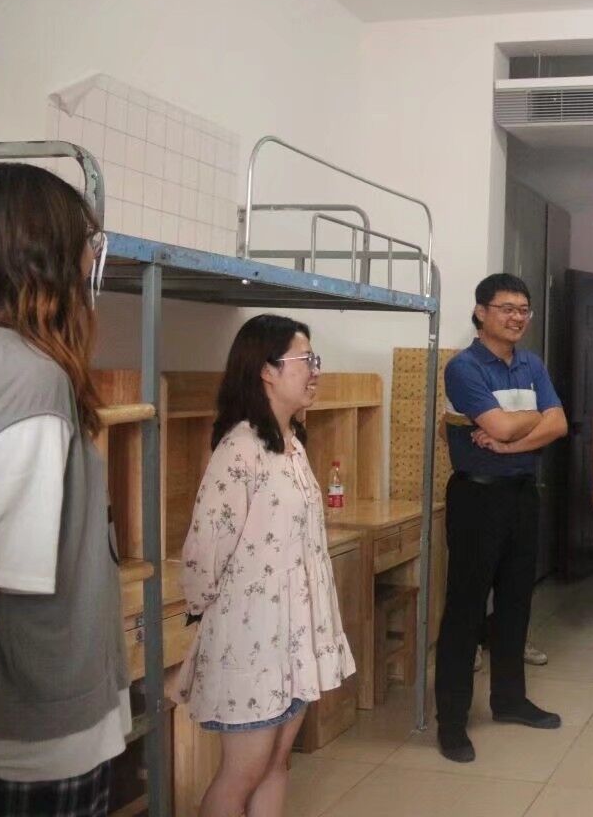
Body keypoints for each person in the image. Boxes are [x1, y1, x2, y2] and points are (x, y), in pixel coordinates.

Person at [0, 163, 129, 817]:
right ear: (45, 255)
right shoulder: (31, 382)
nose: (93, 260)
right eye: (87, 243)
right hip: (31, 734)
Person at [176, 314, 354, 817]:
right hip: (251, 641)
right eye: (305, 360)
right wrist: (207, 612)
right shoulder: (240, 449)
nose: (315, 371)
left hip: (291, 638)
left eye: (315, 359)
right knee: (242, 773)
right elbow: (205, 548)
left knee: (277, 764)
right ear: (266, 370)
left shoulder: (291, 443)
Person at [435, 273, 567, 763]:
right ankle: (452, 721)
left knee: (516, 602)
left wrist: (513, 439)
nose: (517, 317)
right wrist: (530, 421)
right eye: (507, 308)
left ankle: (510, 700)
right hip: (476, 496)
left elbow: (558, 423)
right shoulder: (464, 368)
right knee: (466, 609)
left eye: (523, 309)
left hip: (521, 493)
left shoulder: (531, 363)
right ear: (481, 312)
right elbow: (505, 423)